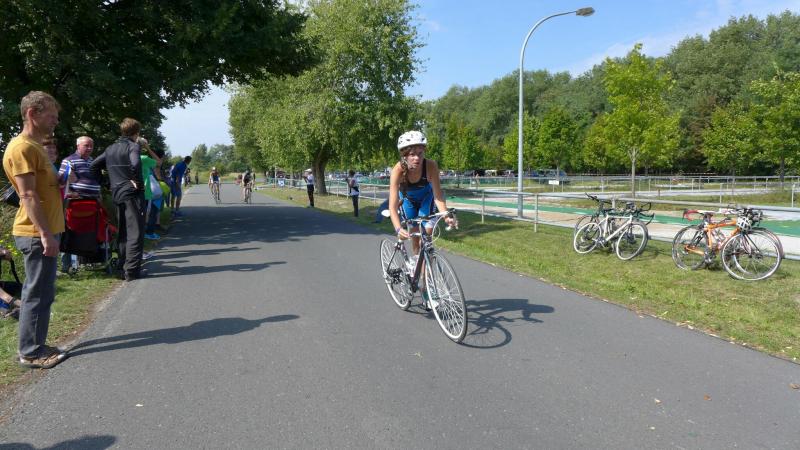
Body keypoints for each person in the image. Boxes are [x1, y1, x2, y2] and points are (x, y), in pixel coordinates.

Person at [2, 91, 68, 369]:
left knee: (44, 292)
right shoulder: (22, 148)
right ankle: (30, 352)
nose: (56, 121)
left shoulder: (36, 146)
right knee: (36, 293)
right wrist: (45, 234)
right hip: (35, 233)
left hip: (46, 231)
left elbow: (42, 188)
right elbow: (27, 195)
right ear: (33, 114)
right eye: (51, 116)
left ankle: (37, 346)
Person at [388, 130, 456, 310]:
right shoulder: (398, 170)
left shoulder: (431, 166)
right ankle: (416, 260)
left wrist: (446, 215)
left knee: (427, 232)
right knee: (414, 236)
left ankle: (426, 286)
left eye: (420, 153)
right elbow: (392, 207)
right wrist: (398, 228)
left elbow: (438, 195)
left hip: (427, 198)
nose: (417, 158)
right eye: (412, 154)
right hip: (408, 201)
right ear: (404, 155)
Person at [90, 118, 146, 282]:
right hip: (131, 193)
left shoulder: (110, 148)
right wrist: (137, 183)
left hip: (117, 193)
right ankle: (132, 271)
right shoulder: (133, 146)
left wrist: (106, 183)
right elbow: (135, 164)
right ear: (137, 132)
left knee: (123, 232)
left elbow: (93, 166)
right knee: (135, 232)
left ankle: (122, 267)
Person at [57, 136, 100, 274]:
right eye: (86, 145)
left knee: (88, 232)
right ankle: (66, 266)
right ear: (78, 146)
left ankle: (86, 261)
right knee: (69, 231)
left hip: (92, 201)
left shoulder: (93, 161)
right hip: (75, 202)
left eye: (91, 146)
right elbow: (61, 182)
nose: (89, 148)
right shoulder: (69, 160)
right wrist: (70, 193)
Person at [138, 138, 162, 241]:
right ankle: (145, 235)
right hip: (144, 192)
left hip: (132, 191)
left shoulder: (127, 158)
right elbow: (159, 162)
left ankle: (139, 236)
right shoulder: (143, 159)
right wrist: (148, 148)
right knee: (143, 216)